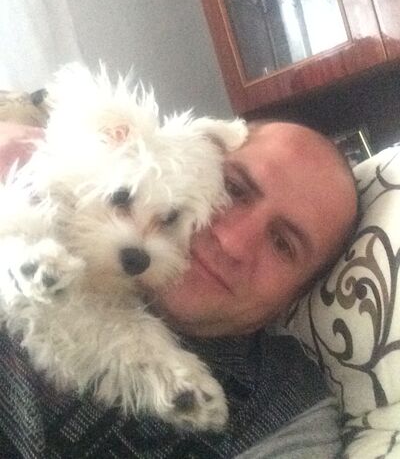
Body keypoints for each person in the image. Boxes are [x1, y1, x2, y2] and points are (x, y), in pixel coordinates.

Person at [0, 119, 358, 459]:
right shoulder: (46, 192)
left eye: (282, 244)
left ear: (292, 299)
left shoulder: (283, 409)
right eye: (234, 189)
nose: (232, 242)